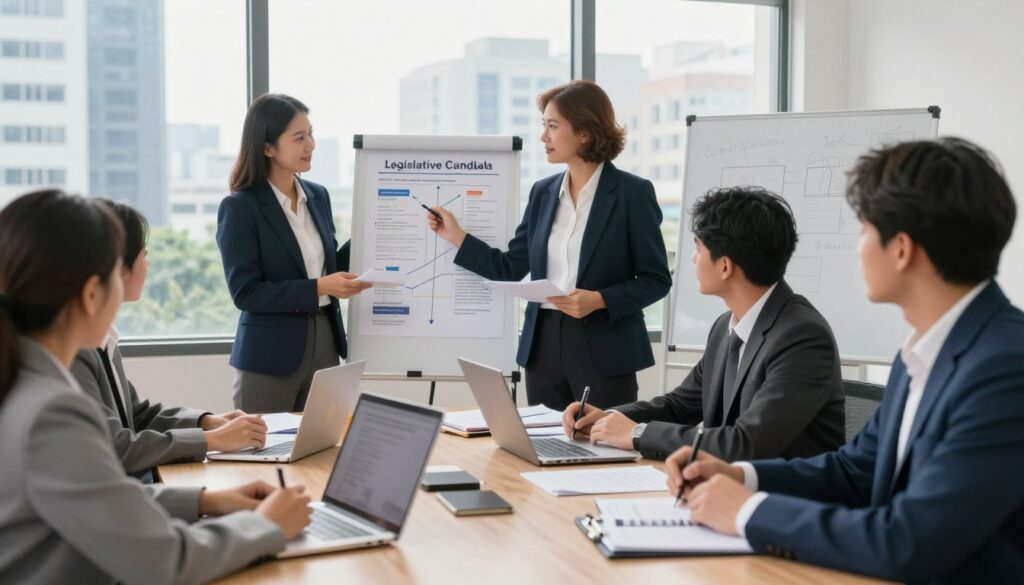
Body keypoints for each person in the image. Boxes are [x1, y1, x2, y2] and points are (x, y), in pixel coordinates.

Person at [666, 138, 1024, 583]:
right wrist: (741, 475)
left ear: (901, 249)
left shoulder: (1004, 367)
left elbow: (907, 541)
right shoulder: (922, 353)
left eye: (863, 232)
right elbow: (853, 471)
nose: (857, 250)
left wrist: (748, 511)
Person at [0, 190, 311, 585]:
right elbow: (166, 562)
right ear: (92, 295)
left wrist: (206, 500)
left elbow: (98, 497)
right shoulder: (51, 413)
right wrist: (266, 527)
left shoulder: (24, 379)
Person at [428, 80, 671, 411]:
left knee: (603, 450)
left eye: (553, 126)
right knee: (545, 446)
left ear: (584, 132)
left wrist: (600, 300)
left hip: (605, 346)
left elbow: (656, 280)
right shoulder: (542, 193)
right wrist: (457, 236)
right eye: (544, 126)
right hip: (543, 344)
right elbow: (511, 267)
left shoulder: (632, 194)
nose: (544, 137)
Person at [563, 186, 845, 461]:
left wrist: (637, 433)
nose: (693, 258)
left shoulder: (802, 337)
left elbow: (747, 444)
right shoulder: (726, 327)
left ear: (725, 266)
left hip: (784, 500)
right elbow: (680, 405)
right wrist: (610, 418)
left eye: (698, 248)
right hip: (725, 490)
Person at [71, 200, 268, 479]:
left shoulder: (104, 336)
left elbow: (136, 415)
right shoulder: (76, 349)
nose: (147, 264)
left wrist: (208, 422)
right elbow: (116, 447)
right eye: (143, 255)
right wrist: (213, 441)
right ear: (118, 269)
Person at [217, 93, 371, 413]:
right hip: (269, 356)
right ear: (268, 147)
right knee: (262, 454)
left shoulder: (318, 196)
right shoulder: (240, 207)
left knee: (321, 452)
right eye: (299, 137)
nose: (310, 144)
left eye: (311, 133)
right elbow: (246, 293)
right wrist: (320, 287)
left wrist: (374, 231)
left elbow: (328, 267)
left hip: (325, 345)